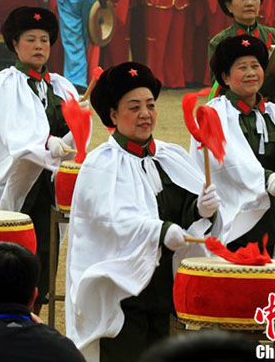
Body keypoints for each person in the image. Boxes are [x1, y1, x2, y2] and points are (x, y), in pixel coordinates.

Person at [67, 62, 218, 362]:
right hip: (122, 295)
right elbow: (109, 221)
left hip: (163, 289)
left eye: (150, 105)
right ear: (112, 115)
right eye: (133, 107)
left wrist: (200, 209)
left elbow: (181, 208)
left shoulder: (169, 156)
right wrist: (160, 231)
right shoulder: (102, 164)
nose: (145, 114)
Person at [0, 6, 86, 311]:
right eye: (31, 39)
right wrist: (45, 143)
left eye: (44, 39)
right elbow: (11, 130)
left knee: (46, 243)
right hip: (17, 176)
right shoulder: (5, 83)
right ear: (15, 44)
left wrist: (74, 128)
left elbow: (74, 132)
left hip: (50, 179)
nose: (39, 46)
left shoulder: (62, 86)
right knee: (13, 240)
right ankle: (3, 304)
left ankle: (35, 304)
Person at [194, 35, 275, 256]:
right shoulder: (212, 114)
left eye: (255, 66)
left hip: (273, 214)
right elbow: (225, 163)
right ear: (225, 77)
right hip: (234, 219)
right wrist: (266, 177)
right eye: (242, 67)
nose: (251, 73)